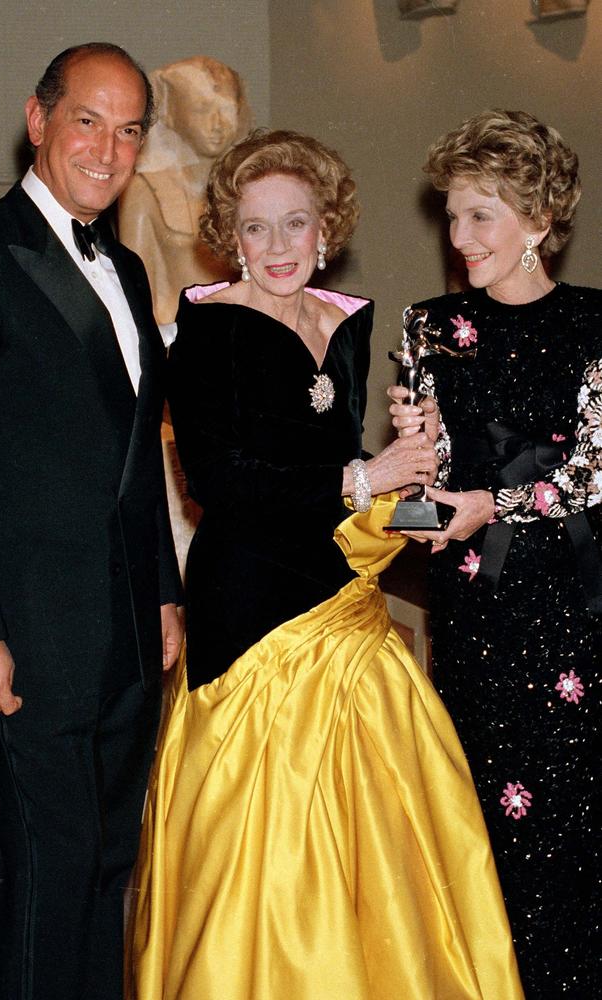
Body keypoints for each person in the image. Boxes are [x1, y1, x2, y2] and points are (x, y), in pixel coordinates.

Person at [128, 129, 524, 1000]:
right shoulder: (204, 334)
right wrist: (362, 476)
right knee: (264, 863)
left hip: (347, 607)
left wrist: (416, 472)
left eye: (296, 225)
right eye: (258, 228)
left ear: (325, 230)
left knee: (384, 852)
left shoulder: (349, 322)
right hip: (253, 619)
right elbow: (222, 482)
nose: (277, 247)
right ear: (232, 234)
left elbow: (353, 485)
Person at [0, 43, 183, 1000]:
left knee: (104, 869)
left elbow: (138, 462)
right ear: (38, 119)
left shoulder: (127, 270)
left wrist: (165, 594)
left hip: (129, 632)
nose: (108, 147)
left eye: (129, 129)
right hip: (27, 636)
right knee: (46, 873)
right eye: (88, 119)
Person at [389, 109, 601, 996]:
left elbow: (593, 476)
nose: (458, 234)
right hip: (473, 612)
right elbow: (423, 481)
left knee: (574, 822)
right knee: (474, 814)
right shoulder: (428, 324)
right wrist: (414, 469)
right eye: (452, 212)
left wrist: (495, 502)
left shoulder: (597, 325)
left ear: (540, 222)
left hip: (571, 614)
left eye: (482, 214)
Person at [118, 56, 252, 324]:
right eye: (202, 109)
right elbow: (138, 294)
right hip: (174, 338)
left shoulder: (250, 190)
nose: (217, 124)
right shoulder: (145, 191)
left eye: (226, 110)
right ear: (171, 113)